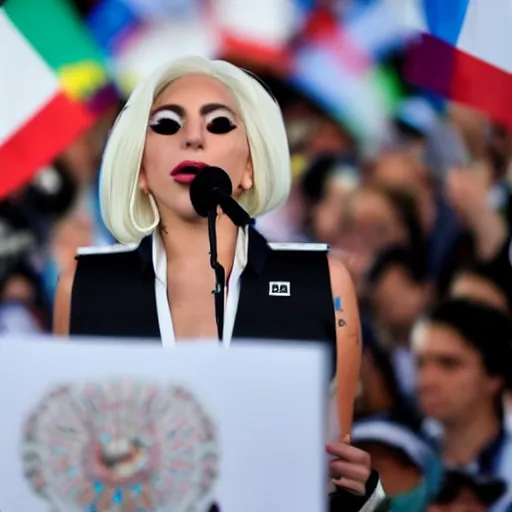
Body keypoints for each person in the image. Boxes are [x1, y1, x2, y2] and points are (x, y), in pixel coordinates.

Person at [53, 56, 386, 511]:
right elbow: (65, 468)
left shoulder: (322, 283)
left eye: (220, 124)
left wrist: (365, 491)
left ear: (250, 166)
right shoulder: (83, 286)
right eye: (167, 125)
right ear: (141, 170)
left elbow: (333, 473)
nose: (193, 137)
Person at [412, 299, 512, 511]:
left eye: (449, 364)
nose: (425, 380)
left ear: (494, 376)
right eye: (420, 363)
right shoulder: (403, 454)